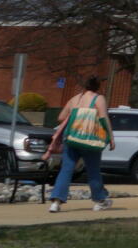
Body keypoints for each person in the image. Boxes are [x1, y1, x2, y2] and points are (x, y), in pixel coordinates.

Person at [47, 77, 115, 213]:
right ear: (97, 86)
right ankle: (99, 201)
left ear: (84, 86)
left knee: (66, 169)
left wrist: (76, 116)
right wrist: (111, 137)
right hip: (90, 140)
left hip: (71, 138)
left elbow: (61, 117)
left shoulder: (74, 99)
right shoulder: (99, 98)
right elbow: (103, 117)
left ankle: (56, 202)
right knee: (93, 170)